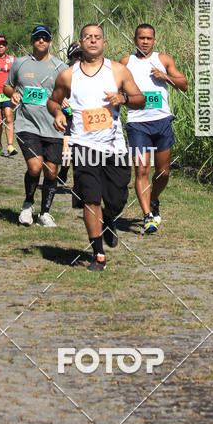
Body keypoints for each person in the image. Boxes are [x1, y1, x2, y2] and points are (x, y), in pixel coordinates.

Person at [48, 24, 144, 271]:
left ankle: (110, 218)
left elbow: (140, 100)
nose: (93, 41)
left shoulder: (119, 71)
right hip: (83, 144)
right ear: (80, 43)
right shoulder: (69, 75)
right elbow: (53, 101)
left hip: (115, 147)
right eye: (88, 37)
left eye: (97, 37)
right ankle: (98, 253)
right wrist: (58, 113)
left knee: (117, 198)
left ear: (104, 42)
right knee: (90, 198)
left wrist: (123, 98)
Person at [120, 24, 188, 234]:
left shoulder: (163, 60)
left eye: (149, 38)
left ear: (154, 40)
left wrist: (165, 77)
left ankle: (154, 198)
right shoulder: (125, 63)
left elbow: (184, 84)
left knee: (163, 173)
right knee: (141, 170)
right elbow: (116, 88)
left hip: (162, 121)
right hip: (137, 123)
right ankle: (148, 216)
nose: (145, 42)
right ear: (135, 39)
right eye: (141, 38)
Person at [3, 25, 65, 227]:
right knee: (35, 166)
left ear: (50, 42)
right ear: (32, 41)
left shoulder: (60, 67)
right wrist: (11, 93)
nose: (41, 41)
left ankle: (45, 213)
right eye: (37, 38)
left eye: (45, 38)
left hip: (53, 126)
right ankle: (28, 205)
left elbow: (70, 91)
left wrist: (66, 100)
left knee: (52, 171)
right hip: (26, 124)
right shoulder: (20, 63)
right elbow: (7, 86)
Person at [58, 41, 82, 191]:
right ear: (70, 57)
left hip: (85, 117)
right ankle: (64, 170)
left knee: (82, 151)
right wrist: (61, 99)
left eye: (82, 55)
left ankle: (79, 182)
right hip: (68, 115)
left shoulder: (94, 73)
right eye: (76, 56)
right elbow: (52, 91)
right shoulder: (64, 73)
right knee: (67, 150)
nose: (79, 58)